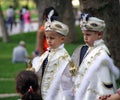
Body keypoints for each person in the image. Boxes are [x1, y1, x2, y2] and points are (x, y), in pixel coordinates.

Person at [71, 13, 119, 100]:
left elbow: (106, 81)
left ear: (99, 34)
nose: (85, 38)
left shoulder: (102, 54)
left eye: (88, 34)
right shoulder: (90, 49)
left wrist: (106, 96)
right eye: (84, 34)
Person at [31, 20, 73, 100]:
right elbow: (40, 71)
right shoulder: (46, 54)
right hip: (43, 94)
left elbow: (67, 85)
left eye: (52, 38)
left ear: (62, 39)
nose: (49, 40)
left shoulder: (63, 58)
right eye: (47, 37)